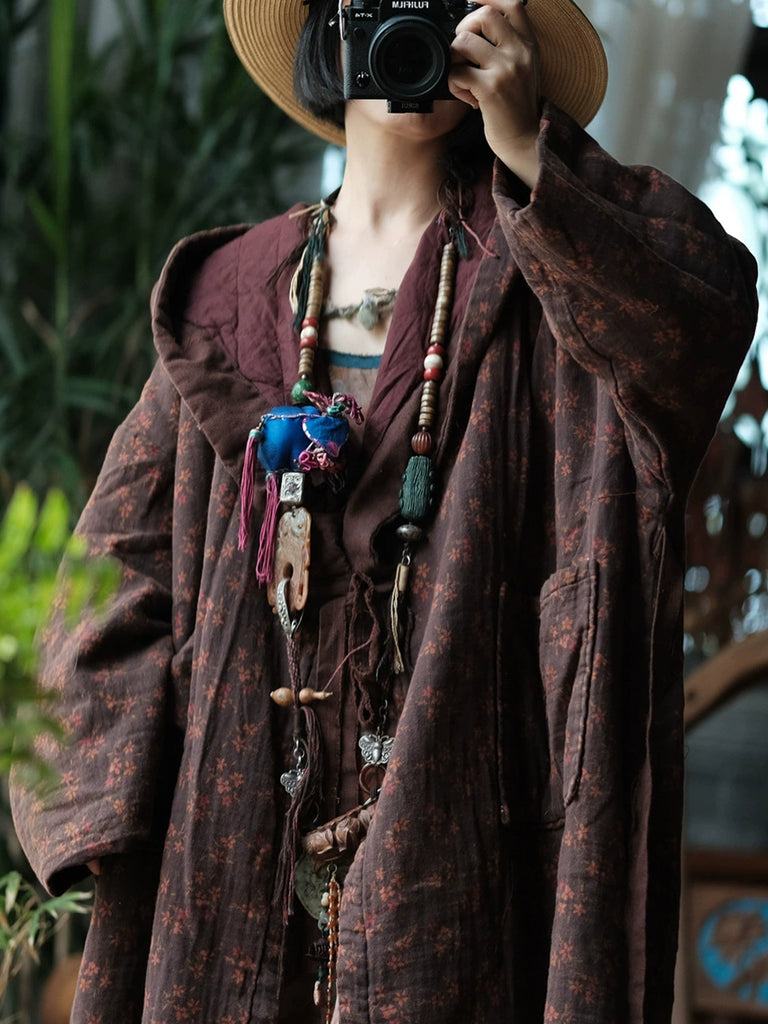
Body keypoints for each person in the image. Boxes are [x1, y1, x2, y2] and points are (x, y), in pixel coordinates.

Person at [10, 0, 758, 1020]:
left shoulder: (554, 273)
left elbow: (699, 319)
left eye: (447, 3)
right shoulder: (230, 297)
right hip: (231, 859)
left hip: (470, 852)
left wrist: (534, 154)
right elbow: (107, 575)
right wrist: (109, 813)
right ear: (327, 23)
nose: (414, 27)